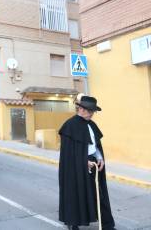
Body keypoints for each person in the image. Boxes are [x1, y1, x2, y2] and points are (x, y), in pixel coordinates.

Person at [58, 95, 116, 230]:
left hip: (93, 163)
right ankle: (73, 223)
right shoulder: (69, 126)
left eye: (93, 111)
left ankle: (107, 224)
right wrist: (84, 162)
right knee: (76, 194)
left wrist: (100, 158)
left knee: (99, 194)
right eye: (90, 111)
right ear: (82, 110)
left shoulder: (91, 124)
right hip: (75, 167)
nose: (92, 114)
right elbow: (68, 153)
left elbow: (94, 146)